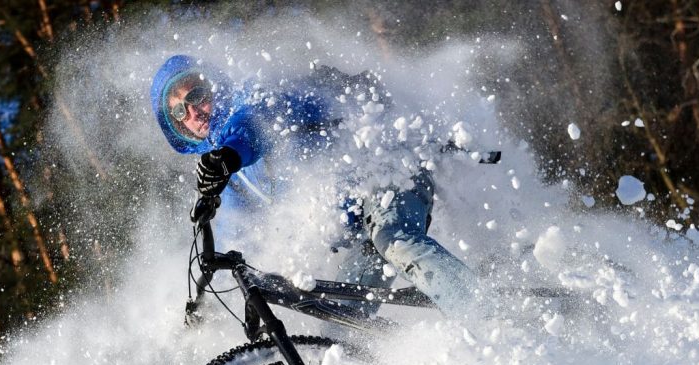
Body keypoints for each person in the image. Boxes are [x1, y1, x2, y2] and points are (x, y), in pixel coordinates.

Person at [150, 55, 484, 320]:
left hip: (388, 177)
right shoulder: (230, 176)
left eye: (196, 95)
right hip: (359, 235)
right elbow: (236, 234)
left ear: (212, 87)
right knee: (342, 327)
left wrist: (229, 155)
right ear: (177, 127)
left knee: (394, 240)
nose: (193, 111)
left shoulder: (253, 99)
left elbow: (251, 126)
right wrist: (203, 303)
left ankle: (490, 318)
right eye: (179, 111)